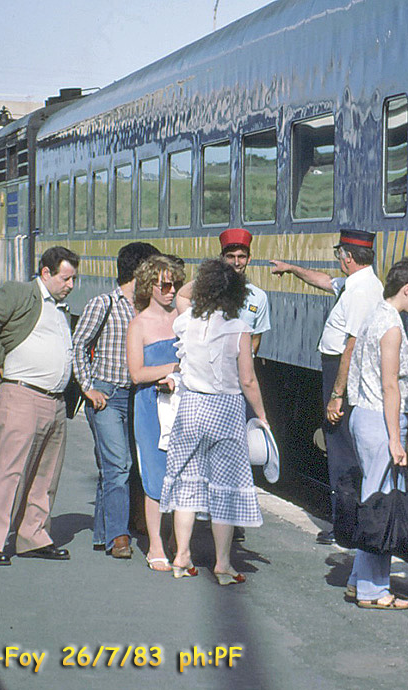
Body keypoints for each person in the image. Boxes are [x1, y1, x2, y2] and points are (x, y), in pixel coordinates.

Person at [270, 228, 383, 545]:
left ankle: (345, 527)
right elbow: (323, 281)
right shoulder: (355, 284)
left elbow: (352, 345)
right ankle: (347, 522)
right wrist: (292, 269)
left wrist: (336, 394)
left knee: (341, 449)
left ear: (348, 257)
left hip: (341, 371)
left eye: (339, 255)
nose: (338, 260)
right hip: (338, 369)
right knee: (341, 446)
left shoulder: (361, 292)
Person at [159, 259, 268, 584]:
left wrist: (209, 278)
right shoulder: (240, 328)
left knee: (186, 483)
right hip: (226, 409)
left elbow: (183, 294)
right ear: (236, 293)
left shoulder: (187, 321)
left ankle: (181, 557)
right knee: (226, 488)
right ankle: (222, 565)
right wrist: (262, 415)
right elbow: (248, 380)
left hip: (192, 406)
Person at [0, 246, 80, 566]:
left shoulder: (59, 307)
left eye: (73, 278)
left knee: (46, 475)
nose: (71, 285)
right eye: (66, 278)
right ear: (45, 273)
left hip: (54, 401)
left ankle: (33, 536)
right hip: (22, 395)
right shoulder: (20, 293)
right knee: (9, 471)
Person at [346, 257, 408, 611]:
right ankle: (373, 590)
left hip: (363, 415)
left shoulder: (374, 315)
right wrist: (396, 439)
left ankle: (359, 580)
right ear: (407, 289)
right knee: (381, 504)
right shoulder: (392, 327)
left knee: (373, 497)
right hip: (381, 420)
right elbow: (390, 385)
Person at [72, 242, 161, 560]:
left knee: (117, 467)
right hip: (107, 397)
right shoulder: (104, 304)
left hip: (137, 398)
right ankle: (119, 537)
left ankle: (103, 533)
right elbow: (78, 345)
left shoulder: (146, 309)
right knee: (119, 465)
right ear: (139, 271)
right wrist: (88, 388)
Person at [127, 255, 185, 571]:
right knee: (154, 474)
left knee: (182, 472)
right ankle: (156, 545)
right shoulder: (138, 325)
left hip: (181, 404)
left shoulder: (182, 317)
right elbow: (137, 374)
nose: (171, 290)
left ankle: (178, 540)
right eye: (165, 285)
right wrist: (172, 368)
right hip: (150, 406)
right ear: (150, 286)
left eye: (175, 284)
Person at [177, 228, 270, 354]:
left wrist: (245, 360)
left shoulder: (259, 297)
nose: (236, 262)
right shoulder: (206, 289)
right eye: (230, 256)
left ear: (249, 259)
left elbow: (256, 338)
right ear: (222, 258)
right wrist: (209, 278)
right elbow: (182, 297)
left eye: (241, 257)